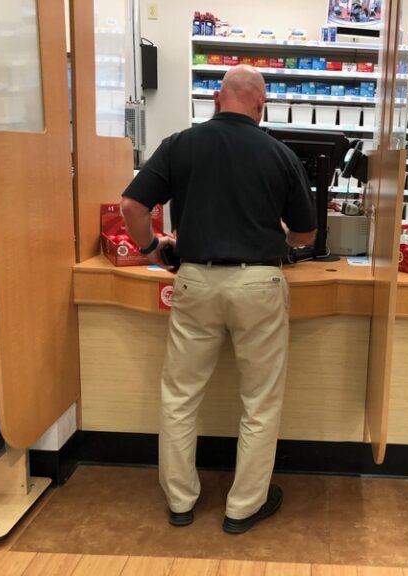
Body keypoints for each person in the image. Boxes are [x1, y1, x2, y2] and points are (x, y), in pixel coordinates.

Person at [120, 65, 317, 534]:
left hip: (195, 280)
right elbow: (306, 235)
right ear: (261, 106)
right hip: (259, 284)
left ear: (216, 99)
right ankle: (242, 508)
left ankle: (180, 502)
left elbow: (131, 206)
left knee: (180, 397)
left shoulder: (180, 144)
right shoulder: (280, 154)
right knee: (260, 402)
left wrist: (152, 249)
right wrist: (281, 234)